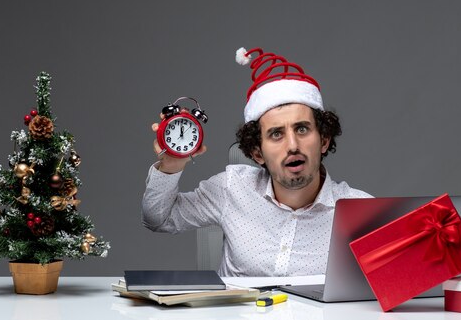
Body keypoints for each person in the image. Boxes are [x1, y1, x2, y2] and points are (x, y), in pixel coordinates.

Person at [142, 47, 372, 277]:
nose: (292, 145)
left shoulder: (362, 212)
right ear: (257, 153)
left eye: (302, 129)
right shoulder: (232, 187)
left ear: (323, 140)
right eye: (276, 134)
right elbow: (158, 219)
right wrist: (172, 163)